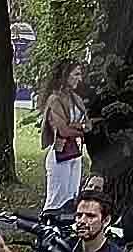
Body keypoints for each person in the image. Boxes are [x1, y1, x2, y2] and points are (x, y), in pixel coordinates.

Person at [39, 59, 90, 212]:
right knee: (56, 200)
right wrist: (81, 128)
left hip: (75, 153)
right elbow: (63, 131)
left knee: (72, 199)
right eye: (76, 74)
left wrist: (77, 127)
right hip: (60, 153)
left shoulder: (76, 98)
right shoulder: (54, 99)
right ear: (65, 75)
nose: (80, 79)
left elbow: (88, 124)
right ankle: (46, 225)